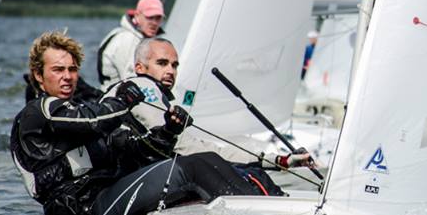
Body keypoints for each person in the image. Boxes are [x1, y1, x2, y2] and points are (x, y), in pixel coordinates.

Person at [10, 31, 305, 215]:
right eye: (58, 70)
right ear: (39, 75)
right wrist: (123, 100)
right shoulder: (38, 112)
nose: (67, 77)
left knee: (208, 164)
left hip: (111, 212)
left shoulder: (79, 111)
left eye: (72, 70)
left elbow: (134, 147)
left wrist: (169, 131)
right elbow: (93, 120)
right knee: (192, 167)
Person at [107, 36, 314, 168]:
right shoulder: (143, 87)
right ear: (140, 68)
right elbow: (185, 147)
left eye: (174, 65)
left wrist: (275, 160)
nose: (170, 70)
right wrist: (272, 161)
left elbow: (191, 146)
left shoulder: (153, 92)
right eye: (162, 63)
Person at [97, 0, 166, 90]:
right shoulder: (127, 39)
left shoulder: (135, 37)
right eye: (150, 17)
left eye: (158, 18)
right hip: (115, 95)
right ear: (137, 15)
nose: (154, 23)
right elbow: (129, 78)